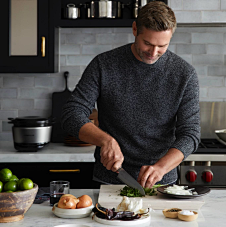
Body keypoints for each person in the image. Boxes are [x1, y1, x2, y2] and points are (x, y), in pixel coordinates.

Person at [61, 1, 200, 189]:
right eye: (147, 43)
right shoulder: (104, 65)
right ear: (135, 29)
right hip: (109, 180)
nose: (153, 53)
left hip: (161, 184)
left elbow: (190, 134)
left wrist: (160, 168)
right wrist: (105, 140)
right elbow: (72, 113)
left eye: (162, 46)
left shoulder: (184, 74)